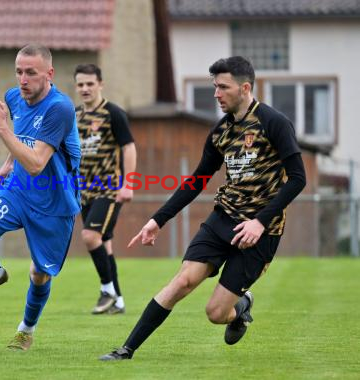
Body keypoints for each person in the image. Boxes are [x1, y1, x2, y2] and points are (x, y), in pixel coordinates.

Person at [100, 56, 306, 360]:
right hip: (223, 218)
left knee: (215, 312)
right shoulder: (220, 132)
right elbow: (196, 180)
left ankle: (240, 309)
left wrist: (260, 222)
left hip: (260, 232)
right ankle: (126, 350)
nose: (216, 93)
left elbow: (298, 179)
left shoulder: (273, 123)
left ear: (245, 87)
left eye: (223, 87)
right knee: (182, 281)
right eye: (214, 86)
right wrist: (158, 220)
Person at [0, 44, 81, 351]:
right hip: (18, 189)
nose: (22, 80)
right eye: (18, 72)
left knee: (39, 274)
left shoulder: (60, 108)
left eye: (31, 72)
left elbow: (38, 162)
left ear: (49, 74)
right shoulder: (14, 97)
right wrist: (7, 164)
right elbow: (23, 141)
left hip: (54, 202)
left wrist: (1, 127)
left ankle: (26, 330)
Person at [73, 64, 137, 314]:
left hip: (109, 188)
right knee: (104, 244)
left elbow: (128, 148)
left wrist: (127, 184)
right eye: (80, 84)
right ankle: (118, 301)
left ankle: (107, 289)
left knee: (90, 236)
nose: (85, 89)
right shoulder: (75, 116)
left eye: (90, 83)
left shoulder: (113, 114)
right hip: (84, 191)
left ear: (101, 84)